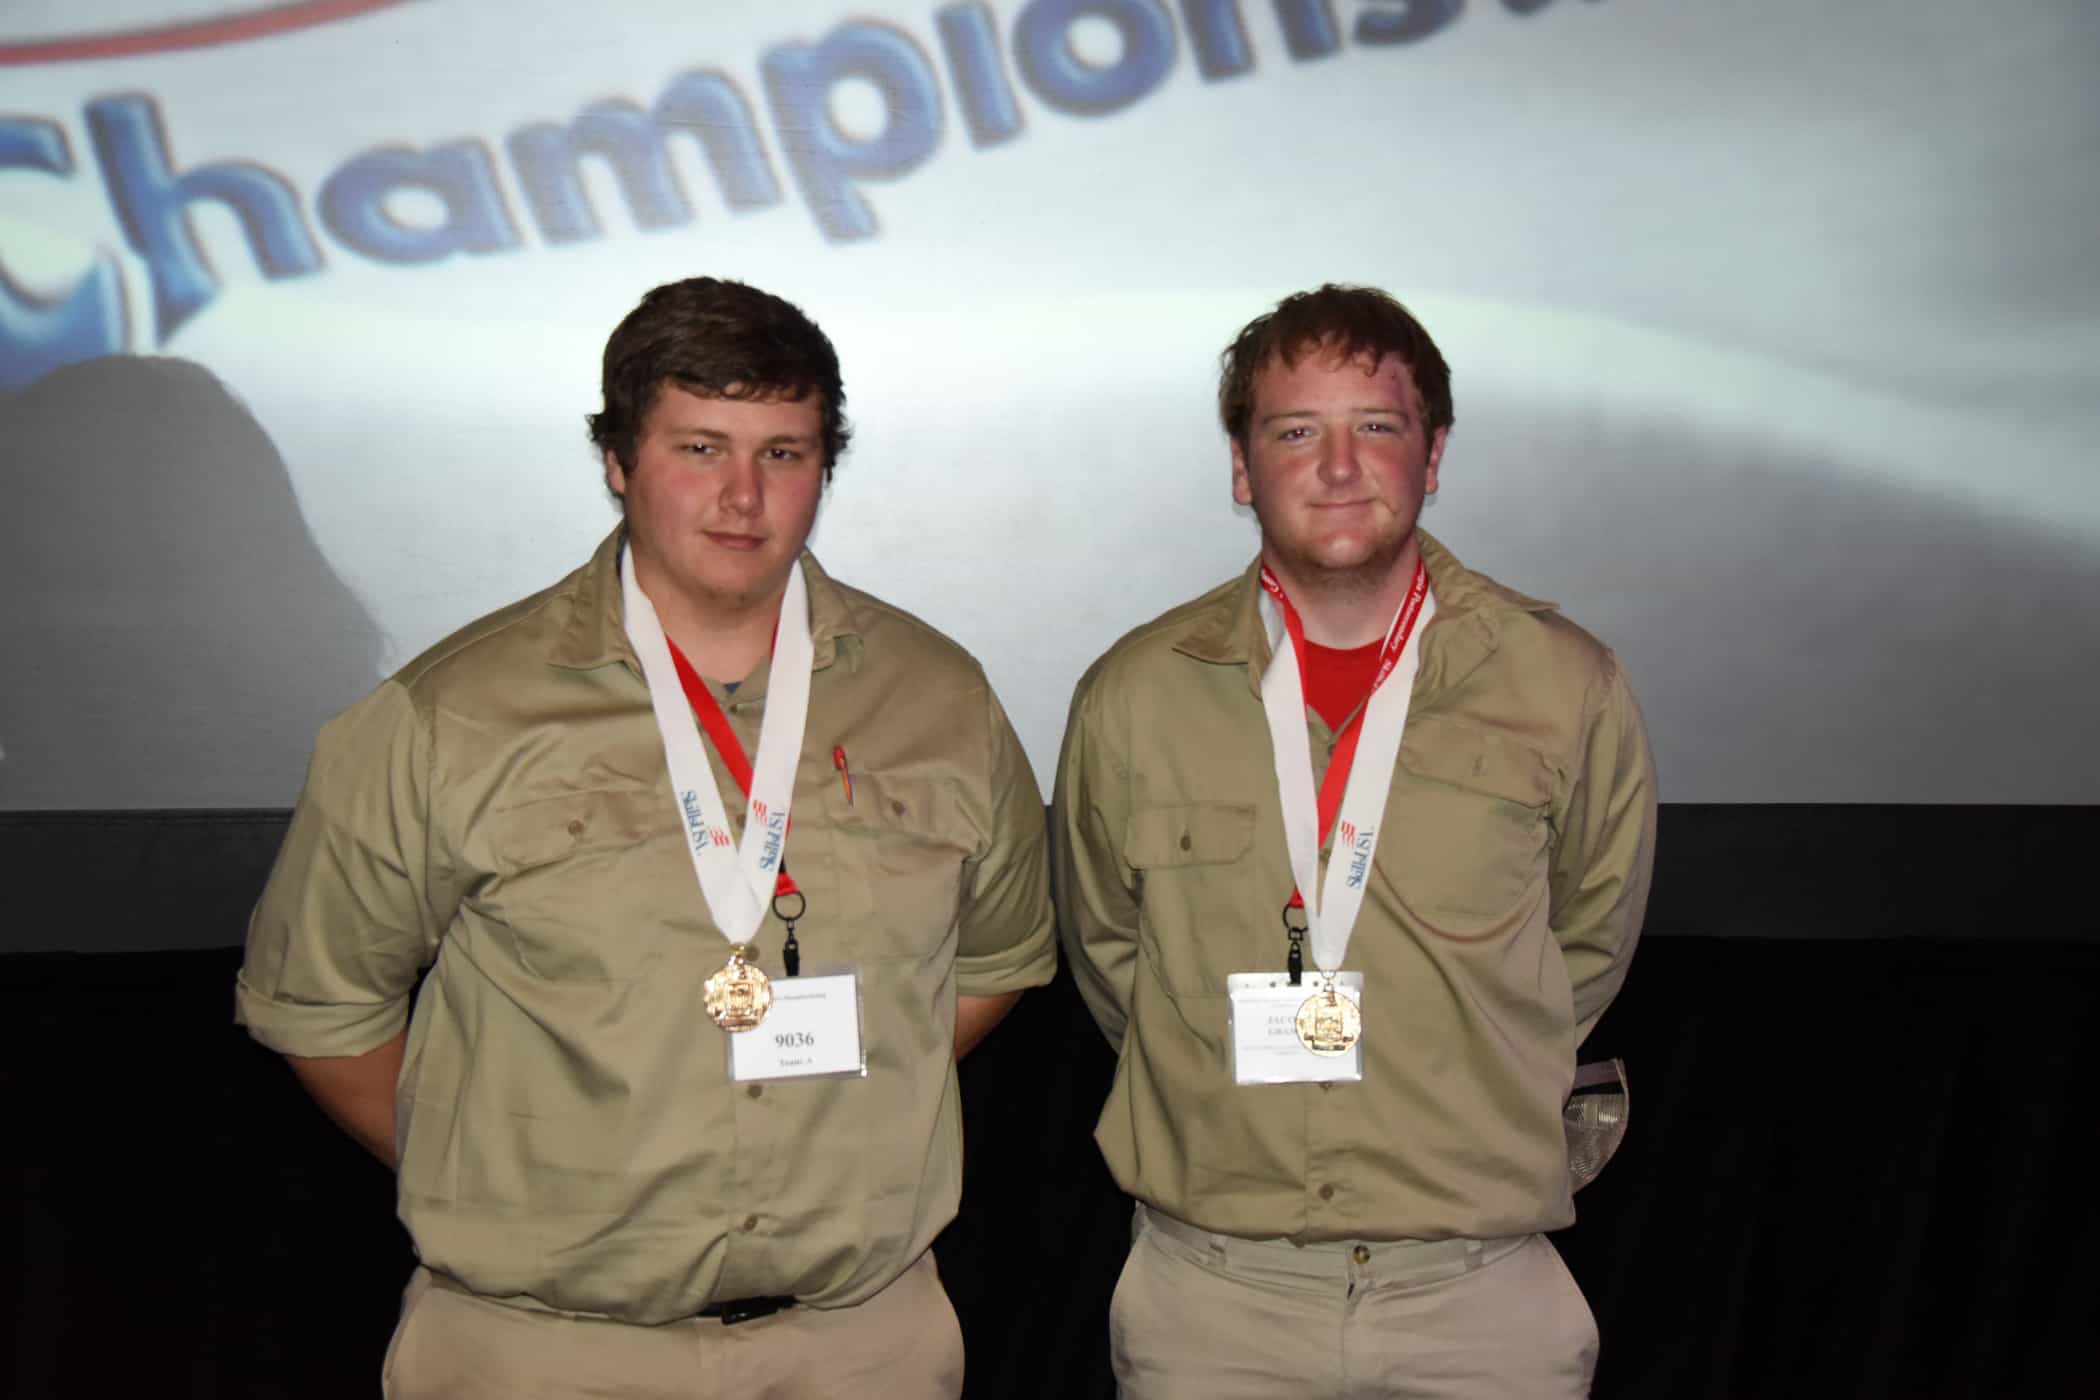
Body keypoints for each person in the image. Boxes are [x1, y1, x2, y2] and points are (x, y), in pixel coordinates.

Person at [237, 277, 1057, 1399]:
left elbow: (995, 960)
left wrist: (846, 1113)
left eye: (784, 452)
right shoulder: (451, 714)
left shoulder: (944, 698)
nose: (742, 496)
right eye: (700, 446)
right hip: (541, 1349)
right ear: (618, 459)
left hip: (864, 1345)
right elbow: (322, 1008)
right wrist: (511, 1169)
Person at [1053, 284, 1656, 1398]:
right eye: (1295, 431)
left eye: (1376, 426)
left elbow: (1587, 943)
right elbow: (1110, 957)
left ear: (1434, 455)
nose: (1338, 467)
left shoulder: (1564, 683)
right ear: (1242, 467)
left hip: (1479, 1300)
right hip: (1213, 1302)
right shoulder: (1134, 695)